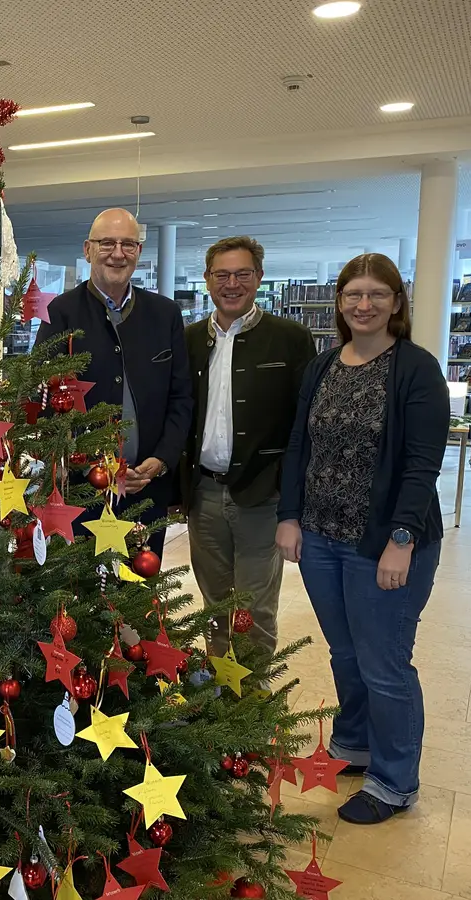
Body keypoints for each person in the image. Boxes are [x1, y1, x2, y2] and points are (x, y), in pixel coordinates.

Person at [275, 253, 448, 825]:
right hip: (321, 538)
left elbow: (423, 465)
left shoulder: (416, 370)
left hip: (383, 544)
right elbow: (300, 445)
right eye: (353, 294)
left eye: (377, 294)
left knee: (385, 664)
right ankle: (354, 745)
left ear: (397, 302)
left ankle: (395, 782)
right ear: (340, 302)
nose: (364, 304)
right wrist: (289, 515)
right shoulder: (323, 366)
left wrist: (402, 538)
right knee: (346, 653)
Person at [181, 236, 316, 658]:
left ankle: (253, 709)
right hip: (202, 495)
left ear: (259, 277)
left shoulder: (291, 339)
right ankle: (219, 703)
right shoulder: (186, 340)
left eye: (242, 274)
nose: (232, 283)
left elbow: (303, 425)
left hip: (262, 495)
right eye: (222, 274)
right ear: (207, 280)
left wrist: (291, 500)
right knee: (214, 606)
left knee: (254, 609)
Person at [35, 208, 192, 557]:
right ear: (88, 249)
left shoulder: (165, 315)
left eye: (128, 244)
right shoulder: (60, 313)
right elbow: (42, 400)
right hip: (81, 491)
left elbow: (181, 398)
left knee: (141, 593)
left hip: (146, 489)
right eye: (107, 243)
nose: (118, 253)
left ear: (139, 251)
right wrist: (85, 464)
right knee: (81, 600)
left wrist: (161, 460)